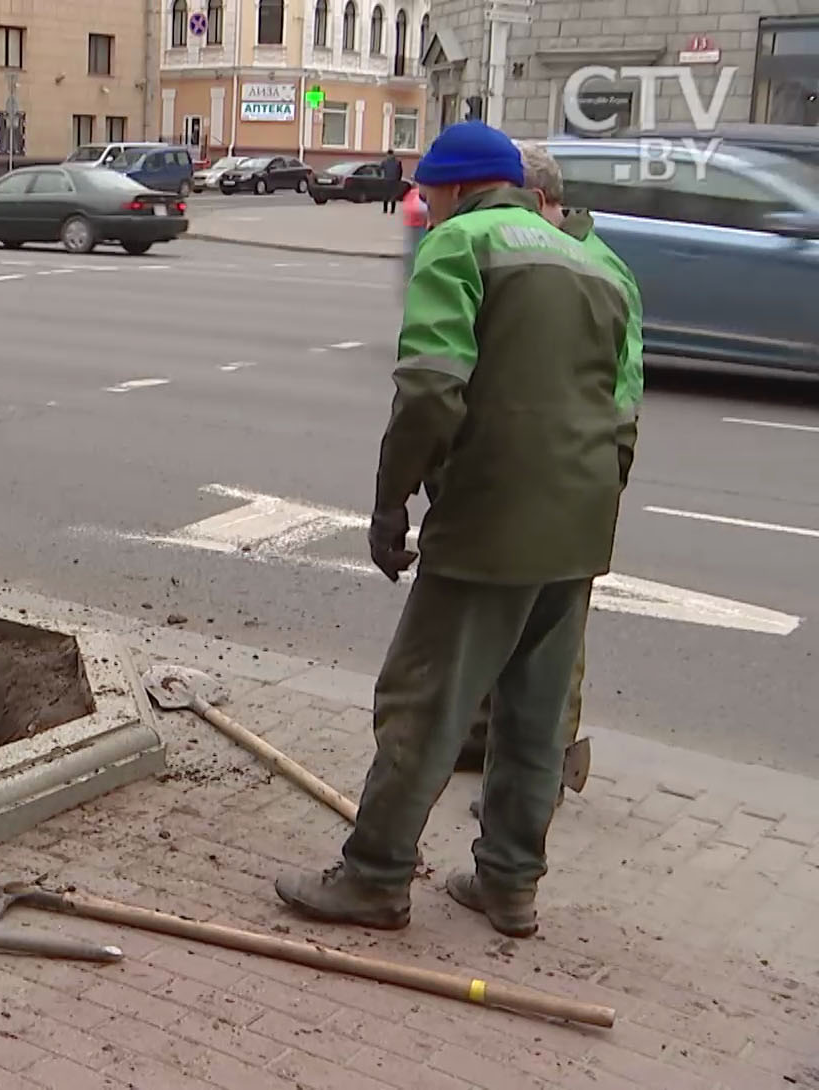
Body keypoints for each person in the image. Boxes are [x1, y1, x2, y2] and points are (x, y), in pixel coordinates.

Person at [275, 121, 633, 940]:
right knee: (534, 717)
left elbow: (432, 389)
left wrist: (391, 501)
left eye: (426, 193)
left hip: (490, 523)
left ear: (455, 188)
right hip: (578, 527)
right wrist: (590, 503)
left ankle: (373, 878)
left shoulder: (460, 245)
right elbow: (621, 413)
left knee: (423, 701)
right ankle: (510, 887)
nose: (422, 207)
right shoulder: (592, 263)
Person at [456, 140, 646, 800]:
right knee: (510, 621)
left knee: (551, 643)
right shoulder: (553, 255)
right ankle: (487, 744)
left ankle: (546, 767)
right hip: (553, 471)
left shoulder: (593, 269)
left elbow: (620, 390)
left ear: (536, 202)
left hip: (570, 472)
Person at [380, 149, 405, 213]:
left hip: (387, 180)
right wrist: (398, 179)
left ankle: (385, 210)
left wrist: (383, 177)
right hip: (394, 180)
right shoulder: (397, 162)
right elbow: (400, 171)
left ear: (388, 154)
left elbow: (381, 169)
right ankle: (392, 210)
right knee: (393, 195)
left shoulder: (384, 161)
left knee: (386, 195)